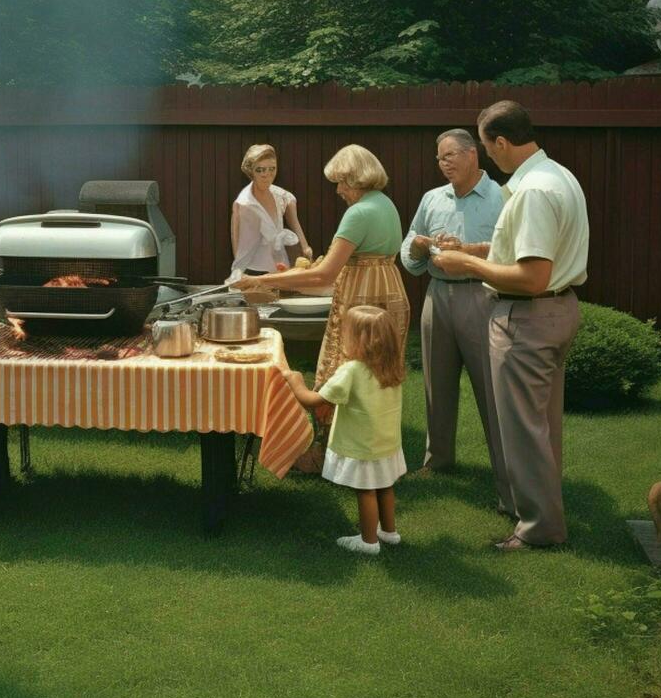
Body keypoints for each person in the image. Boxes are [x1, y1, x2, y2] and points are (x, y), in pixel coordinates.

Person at [434, 101, 588, 551]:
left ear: (501, 142)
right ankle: (541, 510)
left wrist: (465, 264)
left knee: (521, 430)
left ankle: (537, 528)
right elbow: (531, 252)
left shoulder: (533, 191)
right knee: (541, 426)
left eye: (486, 147)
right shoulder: (558, 175)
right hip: (555, 310)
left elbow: (532, 276)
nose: (488, 157)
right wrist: (480, 249)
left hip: (527, 316)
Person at [234, 144, 408, 472]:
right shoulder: (385, 204)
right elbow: (333, 274)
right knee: (377, 377)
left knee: (344, 370)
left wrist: (263, 281)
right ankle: (376, 448)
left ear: (358, 178)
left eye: (342, 182)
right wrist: (293, 280)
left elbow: (327, 274)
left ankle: (333, 455)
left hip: (363, 297)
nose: (339, 190)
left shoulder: (359, 213)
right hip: (388, 290)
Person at [400, 128, 510, 513]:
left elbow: (511, 252)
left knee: (492, 391)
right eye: (439, 158)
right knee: (437, 384)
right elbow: (411, 250)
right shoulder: (433, 198)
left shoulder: (502, 198)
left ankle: (508, 477)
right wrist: (415, 246)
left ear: (472, 155)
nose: (443, 163)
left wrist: (467, 250)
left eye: (449, 156)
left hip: (483, 297)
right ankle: (438, 461)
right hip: (438, 297)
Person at [282, 305, 407, 555]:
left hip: (362, 444)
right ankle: (389, 533)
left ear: (359, 341)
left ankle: (368, 541)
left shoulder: (352, 371)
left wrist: (294, 380)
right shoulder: (390, 367)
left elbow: (312, 400)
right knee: (384, 485)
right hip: (386, 443)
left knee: (366, 490)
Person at [230, 143, 312, 276]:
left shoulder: (283, 197)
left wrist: (306, 249)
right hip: (255, 270)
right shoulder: (244, 203)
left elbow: (297, 228)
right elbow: (238, 248)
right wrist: (241, 275)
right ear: (251, 171)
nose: (267, 174)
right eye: (260, 170)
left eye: (272, 169)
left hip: (282, 265)